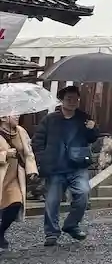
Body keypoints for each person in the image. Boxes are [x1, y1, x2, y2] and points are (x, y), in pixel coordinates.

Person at [33, 84, 98, 246]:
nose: (73, 102)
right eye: (69, 99)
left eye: (76, 99)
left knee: (83, 194)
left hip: (77, 165)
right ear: (61, 100)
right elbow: (37, 141)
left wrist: (92, 129)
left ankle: (71, 224)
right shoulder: (50, 119)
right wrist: (42, 159)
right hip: (56, 167)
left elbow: (92, 138)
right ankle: (51, 233)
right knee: (52, 201)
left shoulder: (84, 118)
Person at [0, 113, 38, 251]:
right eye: (13, 114)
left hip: (14, 176)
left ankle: (1, 232)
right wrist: (5, 154)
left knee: (16, 203)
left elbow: (28, 152)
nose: (17, 116)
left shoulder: (21, 131)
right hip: (1, 174)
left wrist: (31, 170)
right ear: (3, 117)